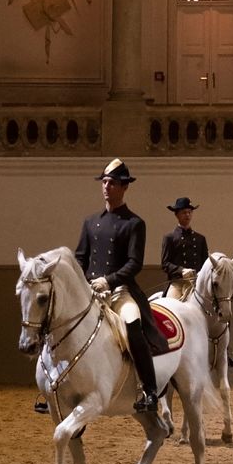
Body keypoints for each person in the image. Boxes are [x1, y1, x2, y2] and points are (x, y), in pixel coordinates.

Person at [75, 158, 163, 415]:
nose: (106, 187)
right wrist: (81, 279)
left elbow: (134, 263)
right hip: (91, 292)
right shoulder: (91, 222)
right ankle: (58, 387)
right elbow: (80, 257)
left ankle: (149, 390)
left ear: (124, 187)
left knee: (132, 325)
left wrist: (109, 279)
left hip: (119, 293)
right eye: (104, 182)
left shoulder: (134, 224)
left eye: (112, 183)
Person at [159, 195, 233, 365]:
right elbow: (165, 264)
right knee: (171, 310)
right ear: (177, 215)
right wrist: (182, 271)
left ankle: (225, 350)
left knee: (222, 306)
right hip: (179, 283)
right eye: (184, 212)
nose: (187, 215)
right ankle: (167, 347)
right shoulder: (169, 238)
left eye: (189, 212)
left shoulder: (200, 239)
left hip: (198, 283)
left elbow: (206, 264)